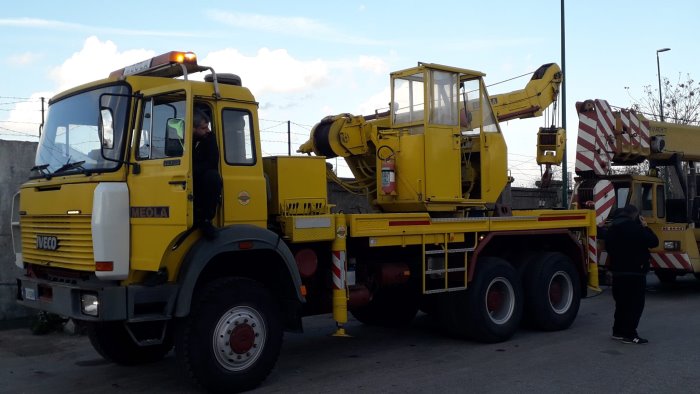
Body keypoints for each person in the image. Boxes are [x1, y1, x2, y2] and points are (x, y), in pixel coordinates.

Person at [605, 204, 659, 344]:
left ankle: (617, 331)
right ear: (635, 215)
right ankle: (630, 334)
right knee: (635, 305)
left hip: (617, 271)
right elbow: (653, 242)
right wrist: (645, 226)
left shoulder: (612, 228)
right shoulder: (636, 229)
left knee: (621, 303)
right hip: (635, 272)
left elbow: (608, 246)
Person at [192, 108, 222, 240]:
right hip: (191, 180)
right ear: (192, 128)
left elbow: (212, 162)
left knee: (212, 177)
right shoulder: (184, 140)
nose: (208, 130)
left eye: (207, 127)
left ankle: (206, 219)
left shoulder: (210, 139)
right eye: (204, 128)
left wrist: (193, 170)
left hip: (201, 178)